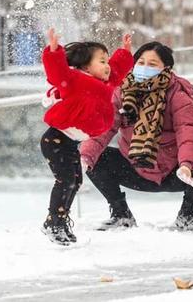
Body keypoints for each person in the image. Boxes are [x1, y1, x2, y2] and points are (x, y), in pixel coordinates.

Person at [80, 41, 193, 232]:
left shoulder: (178, 95)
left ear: (166, 68)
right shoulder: (122, 92)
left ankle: (187, 215)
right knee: (93, 157)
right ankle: (121, 214)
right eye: (141, 62)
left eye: (152, 64)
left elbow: (188, 131)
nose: (144, 68)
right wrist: (85, 158)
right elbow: (104, 128)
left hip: (175, 171)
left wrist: (186, 165)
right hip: (135, 167)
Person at [40, 28, 133, 245]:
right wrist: (54, 51)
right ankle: (54, 223)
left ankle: (59, 222)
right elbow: (57, 73)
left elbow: (118, 70)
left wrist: (125, 52)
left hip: (71, 142)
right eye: (102, 61)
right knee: (66, 180)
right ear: (85, 66)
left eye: (107, 60)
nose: (108, 65)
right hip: (56, 139)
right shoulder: (74, 79)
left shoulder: (106, 84)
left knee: (75, 181)